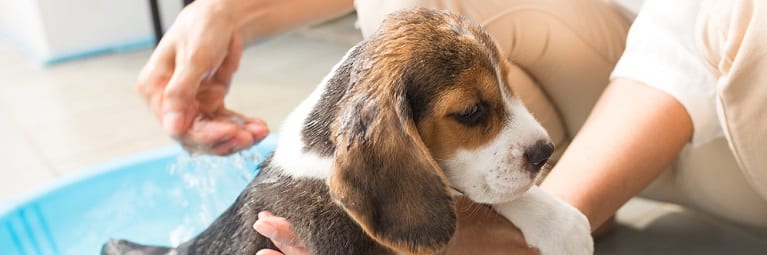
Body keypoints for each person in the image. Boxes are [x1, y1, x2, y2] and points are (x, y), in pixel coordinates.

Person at [136, 0, 767, 254]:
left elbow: (698, 28)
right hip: (628, 42)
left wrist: (549, 218)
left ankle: (519, 237)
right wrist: (230, 13)